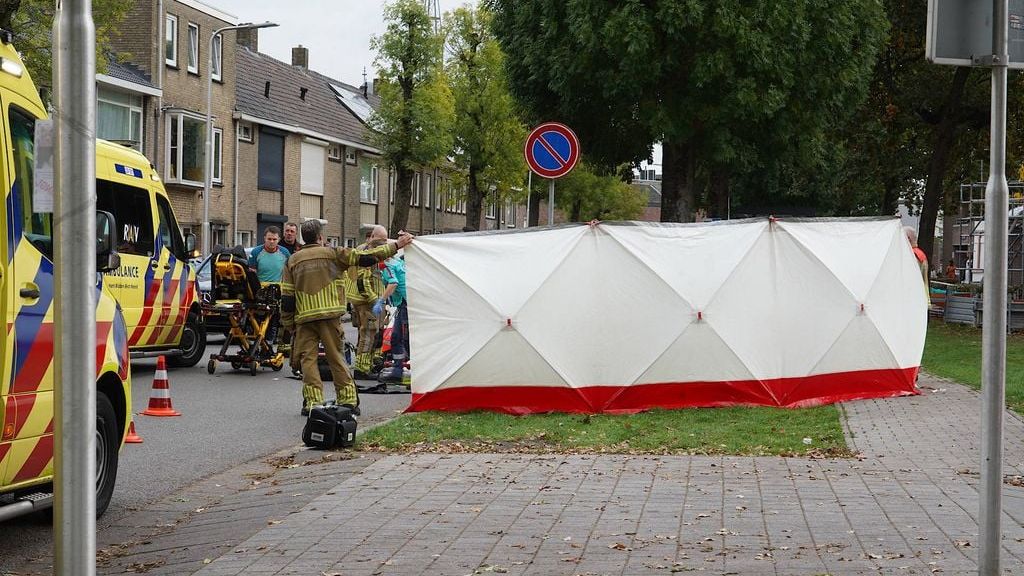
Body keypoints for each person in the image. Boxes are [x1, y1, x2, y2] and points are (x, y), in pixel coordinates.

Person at [281, 219, 413, 415]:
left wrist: (288, 324)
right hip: (330, 315)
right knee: (336, 358)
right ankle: (348, 399)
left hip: (304, 318)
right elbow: (367, 258)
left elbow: (287, 298)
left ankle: (312, 403)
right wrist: (397, 246)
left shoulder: (292, 261)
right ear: (320, 237)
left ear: (303, 237)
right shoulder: (334, 254)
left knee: (308, 361)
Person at [345, 225, 389, 379]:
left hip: (360, 299)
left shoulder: (362, 248)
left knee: (367, 333)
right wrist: (374, 300)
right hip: (367, 300)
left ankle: (366, 365)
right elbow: (362, 281)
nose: (383, 244)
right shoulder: (368, 253)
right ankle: (362, 369)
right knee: (368, 334)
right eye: (381, 241)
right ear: (374, 237)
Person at [378, 252, 409, 384]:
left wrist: (381, 300)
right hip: (405, 303)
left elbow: (393, 283)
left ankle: (399, 370)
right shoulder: (397, 261)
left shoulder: (386, 266)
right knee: (397, 338)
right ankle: (398, 369)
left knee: (402, 338)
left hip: (406, 304)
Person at [904, 226, 930, 306]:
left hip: (910, 300)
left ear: (908, 239)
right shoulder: (921, 255)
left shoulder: (911, 255)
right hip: (920, 298)